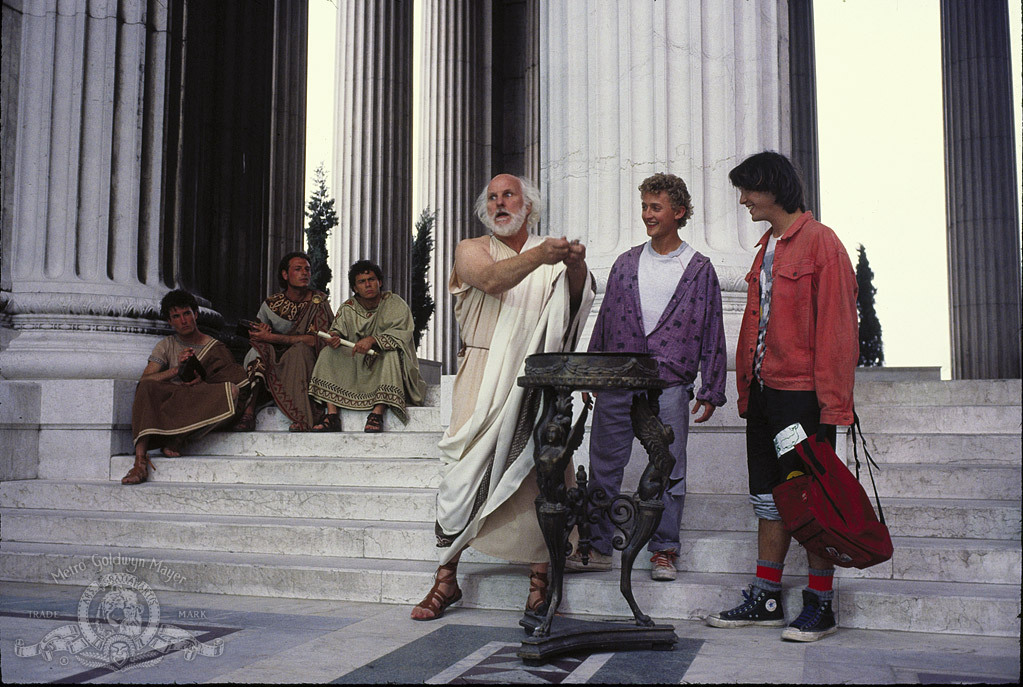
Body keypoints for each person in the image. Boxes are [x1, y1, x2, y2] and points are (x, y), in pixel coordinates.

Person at [410, 174, 594, 621]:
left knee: (539, 474)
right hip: (482, 372)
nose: (499, 203)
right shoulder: (470, 249)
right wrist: (542, 255)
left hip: (536, 376)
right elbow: (491, 281)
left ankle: (539, 582)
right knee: (463, 472)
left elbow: (574, 301)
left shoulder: (550, 254)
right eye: (491, 197)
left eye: (508, 194)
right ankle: (446, 580)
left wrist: (573, 266)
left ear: (528, 206)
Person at [706, 151, 858, 642]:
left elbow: (838, 331)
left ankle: (820, 603)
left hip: (803, 398)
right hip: (767, 394)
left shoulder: (822, 244)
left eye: (749, 190)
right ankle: (767, 597)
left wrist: (833, 407)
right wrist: (747, 393)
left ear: (773, 187)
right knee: (770, 499)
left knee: (810, 500)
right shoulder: (765, 247)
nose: (744, 200)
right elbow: (756, 324)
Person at [566, 172, 727, 581]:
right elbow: (605, 321)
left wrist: (712, 387)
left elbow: (712, 330)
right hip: (619, 378)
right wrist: (592, 373)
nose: (648, 215)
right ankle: (599, 547)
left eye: (655, 208)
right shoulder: (626, 263)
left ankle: (664, 550)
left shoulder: (699, 269)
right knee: (604, 465)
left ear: (679, 212)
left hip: (671, 382)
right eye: (644, 207)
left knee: (668, 468)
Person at [121, 290, 248, 485]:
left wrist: (202, 383)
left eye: (187, 313)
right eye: (176, 316)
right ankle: (139, 462)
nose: (183, 320)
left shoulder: (215, 347)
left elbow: (226, 380)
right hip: (173, 403)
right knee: (146, 387)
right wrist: (176, 370)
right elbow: (147, 378)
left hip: (198, 401)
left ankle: (180, 437)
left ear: (196, 314)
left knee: (232, 392)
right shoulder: (166, 345)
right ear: (170, 322)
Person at [308, 260, 426, 432]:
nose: (368, 285)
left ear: (380, 282)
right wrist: (334, 337)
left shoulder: (394, 302)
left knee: (391, 353)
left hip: (382, 359)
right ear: (355, 288)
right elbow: (337, 331)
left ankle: (377, 413)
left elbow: (402, 333)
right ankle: (332, 415)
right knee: (328, 353)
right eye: (362, 282)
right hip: (356, 362)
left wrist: (372, 340)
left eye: (371, 279)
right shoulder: (348, 308)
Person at [235, 252, 334, 432]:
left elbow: (318, 340)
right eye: (298, 269)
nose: (304, 273)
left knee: (300, 351)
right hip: (275, 357)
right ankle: (248, 413)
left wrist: (273, 337)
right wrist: (262, 333)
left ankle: (303, 417)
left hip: (304, 358)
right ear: (285, 275)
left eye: (307, 269)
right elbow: (258, 335)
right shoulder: (271, 304)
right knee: (257, 350)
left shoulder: (318, 301)